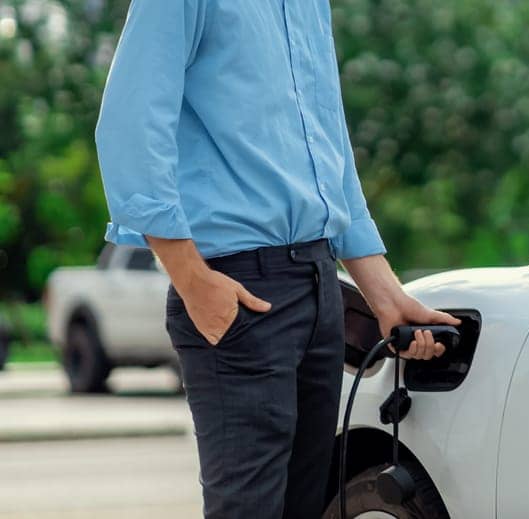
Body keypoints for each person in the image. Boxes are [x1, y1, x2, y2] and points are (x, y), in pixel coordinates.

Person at [94, 1, 458, 517]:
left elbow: (329, 148)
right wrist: (194, 280)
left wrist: (385, 295)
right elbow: (129, 125)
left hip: (318, 284)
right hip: (239, 290)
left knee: (304, 506)